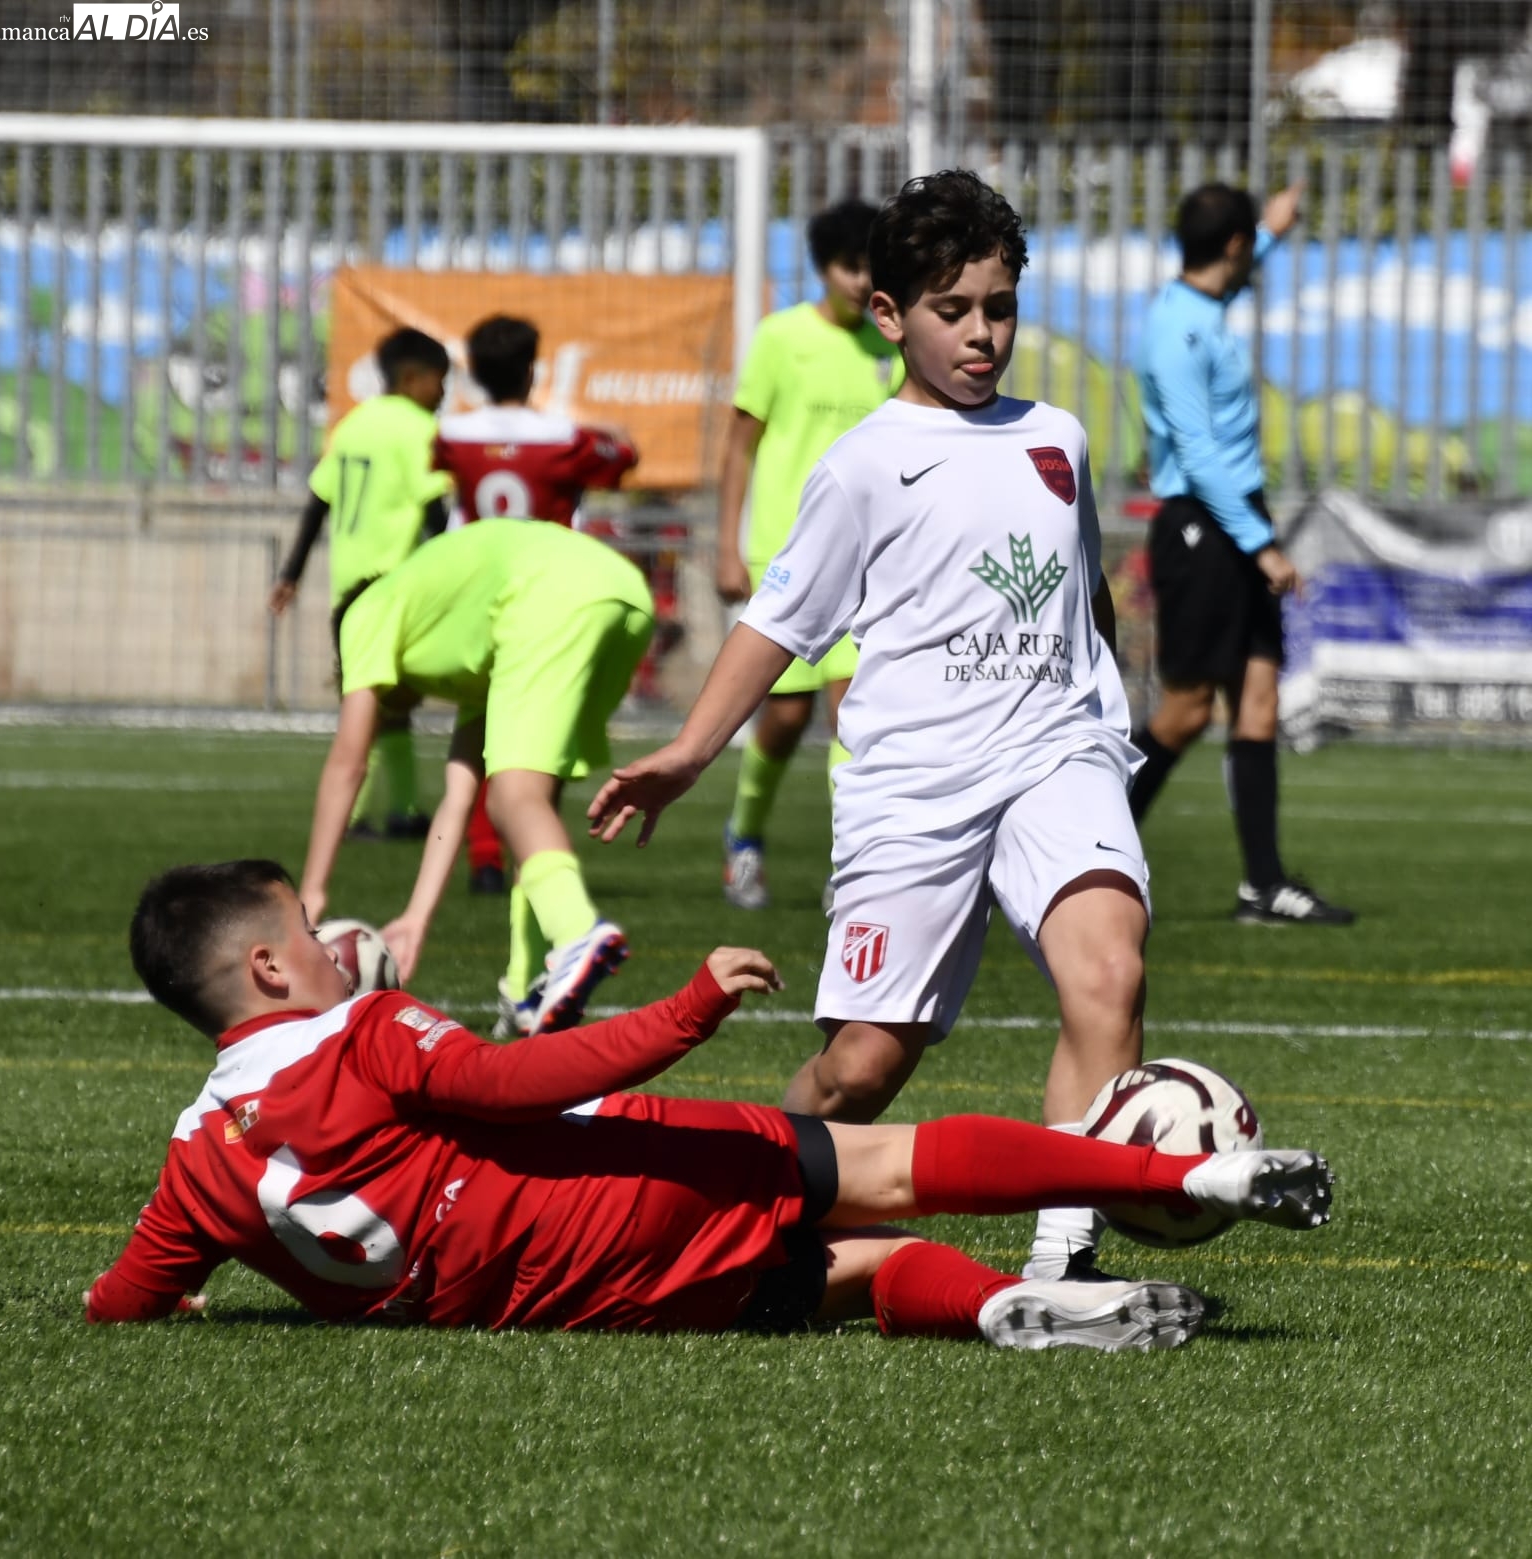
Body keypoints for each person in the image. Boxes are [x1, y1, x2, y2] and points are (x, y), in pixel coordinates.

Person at [589, 169, 1159, 1283]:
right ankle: (743, 1209)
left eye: (999, 307)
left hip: (1057, 750)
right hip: (915, 783)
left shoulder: (1058, 438)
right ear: (891, 315)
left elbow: (1081, 589)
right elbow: (779, 620)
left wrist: (1101, 699)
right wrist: (689, 753)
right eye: (954, 310)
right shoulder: (860, 465)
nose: (982, 333)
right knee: (860, 1068)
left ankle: (1064, 1261)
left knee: (1108, 973)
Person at [85, 859, 1333, 1350]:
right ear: (268, 967)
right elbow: (514, 1078)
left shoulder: (195, 1164)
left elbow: (123, 1298)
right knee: (888, 1163)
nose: (334, 944)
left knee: (859, 1266)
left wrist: (169, 1293)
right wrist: (683, 1010)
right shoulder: (359, 1032)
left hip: (585, 1303)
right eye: (312, 931)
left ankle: (1000, 1304)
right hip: (617, 1191)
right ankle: (1185, 1175)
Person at [299, 518, 653, 1036]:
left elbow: (349, 762)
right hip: (625, 595)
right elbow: (457, 800)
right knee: (528, 809)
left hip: (549, 595)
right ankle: (525, 988)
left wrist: (311, 893)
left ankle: (577, 931)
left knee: (513, 799)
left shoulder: (364, 612)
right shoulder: (465, 636)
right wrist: (416, 918)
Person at [1129, 182, 1355, 927]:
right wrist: (1262, 547)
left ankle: (1264, 886)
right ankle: (1076, 851)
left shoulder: (1206, 300)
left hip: (1240, 516)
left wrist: (1273, 229)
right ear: (1232, 245)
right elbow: (1196, 455)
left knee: (1258, 700)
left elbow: (1235, 265)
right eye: (1249, 240)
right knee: (1187, 710)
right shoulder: (1177, 330)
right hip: (1203, 526)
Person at [714, 198, 902, 910]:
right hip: (785, 553)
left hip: (867, 558)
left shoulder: (890, 347)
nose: (861, 281)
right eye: (849, 267)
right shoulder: (780, 338)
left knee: (851, 711)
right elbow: (740, 445)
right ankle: (744, 835)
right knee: (786, 718)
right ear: (824, 268)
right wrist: (728, 545)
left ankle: (848, 865)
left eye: (870, 268)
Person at [434, 314, 641, 899]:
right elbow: (624, 456)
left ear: (474, 374)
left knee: (479, 726)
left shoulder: (452, 436)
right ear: (532, 370)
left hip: (481, 594)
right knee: (538, 735)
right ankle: (531, 853)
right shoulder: (565, 438)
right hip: (551, 598)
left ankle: (484, 857)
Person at [269, 327, 455, 841]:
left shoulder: (353, 424)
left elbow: (318, 500)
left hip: (347, 590)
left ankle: (402, 810)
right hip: (393, 585)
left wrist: (291, 573)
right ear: (413, 378)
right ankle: (357, 815)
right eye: (440, 380)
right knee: (381, 703)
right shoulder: (418, 428)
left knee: (379, 702)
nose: (443, 392)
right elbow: (434, 508)